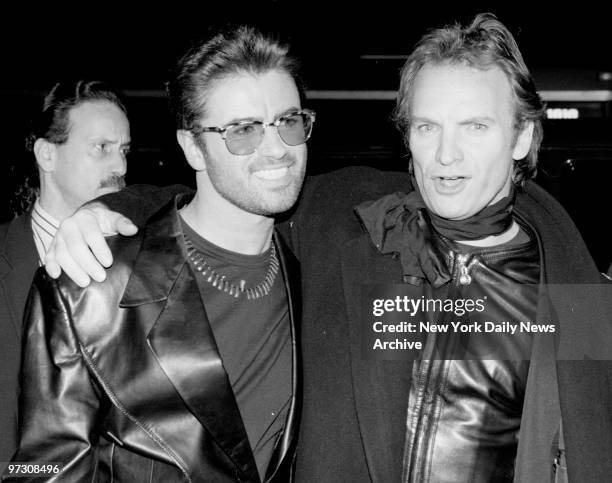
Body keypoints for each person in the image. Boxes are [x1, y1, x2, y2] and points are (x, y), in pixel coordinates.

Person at [42, 14, 612, 482]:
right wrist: (103, 212)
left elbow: (590, 435)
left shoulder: (568, 272)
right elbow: (236, 190)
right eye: (427, 126)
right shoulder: (351, 220)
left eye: (476, 127)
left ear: (522, 137)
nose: (446, 156)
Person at [8, 27, 310, 482]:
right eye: (242, 130)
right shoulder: (88, 283)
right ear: (192, 147)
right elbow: (40, 467)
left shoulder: (315, 264)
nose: (276, 148)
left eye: (288, 121)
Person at [0, 80, 129, 467]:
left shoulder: (135, 257)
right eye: (102, 148)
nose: (120, 166)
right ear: (47, 155)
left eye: (124, 151)